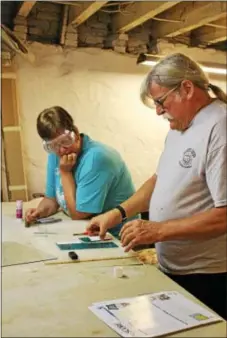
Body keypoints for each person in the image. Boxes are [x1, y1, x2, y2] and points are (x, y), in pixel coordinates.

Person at [87, 53, 227, 319]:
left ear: (186, 88)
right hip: (175, 268)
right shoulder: (179, 127)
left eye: (161, 101)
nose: (159, 111)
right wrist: (116, 213)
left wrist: (160, 229)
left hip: (209, 275)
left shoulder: (220, 126)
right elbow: (158, 180)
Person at [25, 106, 136, 237]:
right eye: (53, 146)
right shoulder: (55, 156)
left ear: (76, 133)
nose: (61, 150)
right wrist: (39, 212)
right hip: (87, 229)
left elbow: (78, 214)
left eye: (65, 141)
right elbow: (51, 200)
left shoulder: (97, 158)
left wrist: (65, 173)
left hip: (118, 236)